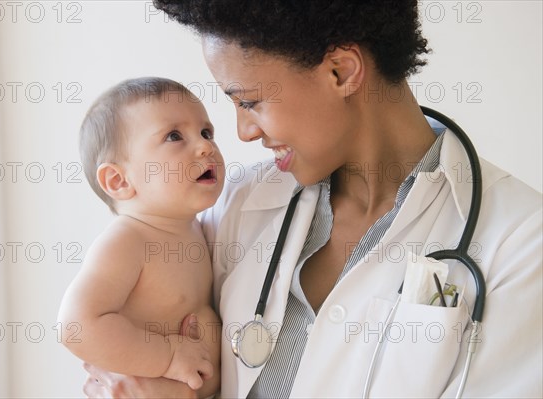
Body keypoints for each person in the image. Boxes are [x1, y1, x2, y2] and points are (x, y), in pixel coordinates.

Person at [84, 2, 543, 398]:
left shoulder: (520, 240)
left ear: (341, 72)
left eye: (250, 102)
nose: (244, 131)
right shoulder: (236, 206)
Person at [58, 77, 223, 399]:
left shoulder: (201, 229)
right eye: (174, 136)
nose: (206, 146)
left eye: (206, 132)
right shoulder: (127, 242)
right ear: (118, 180)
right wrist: (168, 356)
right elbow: (76, 326)